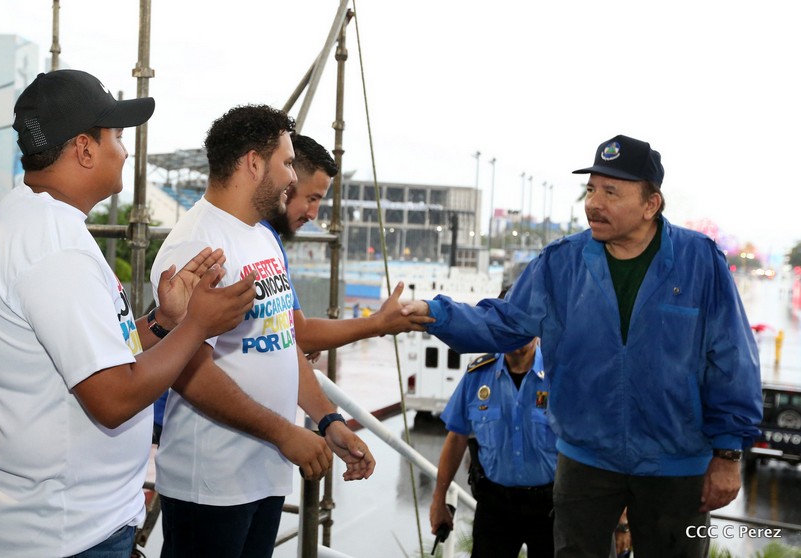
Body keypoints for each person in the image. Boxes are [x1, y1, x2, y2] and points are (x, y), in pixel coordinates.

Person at [403, 134, 762, 557]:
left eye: (611, 191)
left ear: (651, 204)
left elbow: (732, 359)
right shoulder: (561, 262)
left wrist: (728, 454)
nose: (594, 203)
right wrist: (432, 313)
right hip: (584, 460)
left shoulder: (699, 260)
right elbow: (505, 322)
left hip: (676, 463)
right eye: (590, 189)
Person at [0, 69, 259, 558]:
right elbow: (112, 397)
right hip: (65, 536)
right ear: (85, 149)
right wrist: (197, 326)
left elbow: (92, 354)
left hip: (64, 525)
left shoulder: (32, 216)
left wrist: (164, 322)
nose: (125, 151)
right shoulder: (55, 247)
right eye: (118, 137)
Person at [150, 104, 375, 558]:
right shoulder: (198, 243)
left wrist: (328, 420)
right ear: (253, 163)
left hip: (262, 474)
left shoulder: (261, 236)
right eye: (287, 163)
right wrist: (284, 433)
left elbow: (283, 341)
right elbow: (189, 372)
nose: (293, 177)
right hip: (210, 485)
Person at [263, 133, 430, 354]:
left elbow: (294, 333)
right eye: (311, 199)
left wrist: (305, 341)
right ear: (287, 185)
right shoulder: (257, 240)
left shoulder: (270, 240)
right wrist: (379, 323)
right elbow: (301, 335)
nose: (313, 214)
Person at [430, 334, 556, 558]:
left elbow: (582, 442)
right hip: (495, 507)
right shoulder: (477, 375)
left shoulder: (558, 374)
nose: (518, 331)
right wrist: (439, 500)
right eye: (510, 324)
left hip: (551, 507)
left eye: (525, 322)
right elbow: (456, 438)